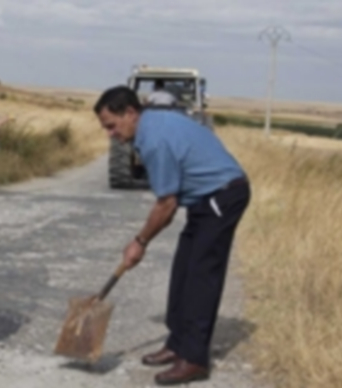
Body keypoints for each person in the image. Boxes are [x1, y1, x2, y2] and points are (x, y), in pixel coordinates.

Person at [92, 85, 250, 386]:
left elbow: (166, 204)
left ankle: (193, 358)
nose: (110, 134)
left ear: (130, 113)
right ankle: (177, 344)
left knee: (201, 277)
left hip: (223, 195)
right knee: (182, 272)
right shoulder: (152, 122)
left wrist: (139, 242)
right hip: (205, 198)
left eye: (111, 126)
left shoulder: (154, 140)